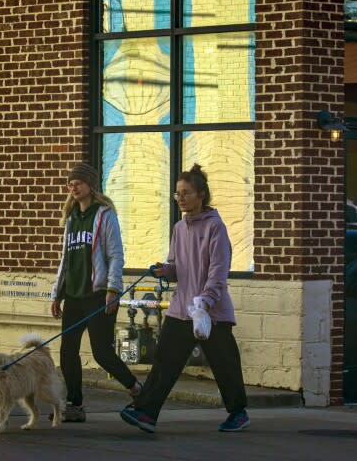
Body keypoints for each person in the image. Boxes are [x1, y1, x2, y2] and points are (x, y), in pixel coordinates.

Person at [120, 163, 249, 433]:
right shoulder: (179, 228)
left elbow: (218, 272)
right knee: (165, 360)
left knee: (225, 365)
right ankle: (146, 413)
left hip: (210, 312)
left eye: (186, 193)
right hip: (181, 309)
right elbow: (177, 267)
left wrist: (205, 301)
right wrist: (164, 270)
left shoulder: (216, 228)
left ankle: (238, 413)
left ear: (201, 195)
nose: (180, 197)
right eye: (177, 193)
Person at [50, 163, 142, 422]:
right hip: (74, 297)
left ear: (90, 184)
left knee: (102, 352)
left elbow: (115, 255)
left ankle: (137, 390)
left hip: (98, 295)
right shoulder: (71, 218)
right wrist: (57, 294)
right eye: (70, 184)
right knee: (67, 351)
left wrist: (113, 289)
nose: (73, 187)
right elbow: (65, 259)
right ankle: (75, 405)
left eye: (78, 182)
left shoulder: (104, 215)